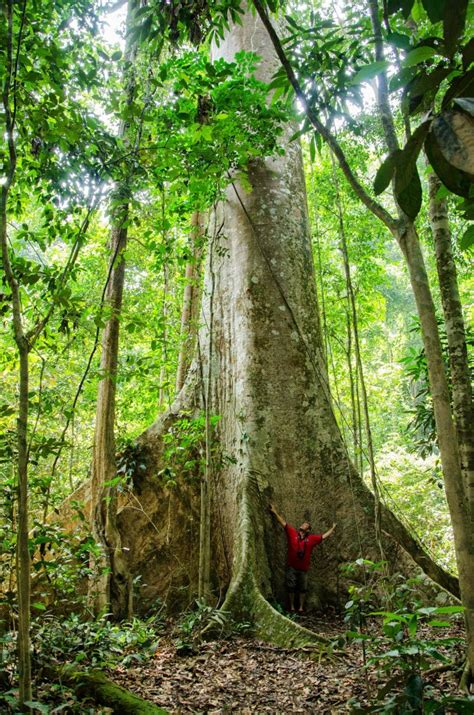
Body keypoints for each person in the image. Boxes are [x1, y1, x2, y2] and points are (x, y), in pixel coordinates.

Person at [269, 502, 336, 613]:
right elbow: (283, 523)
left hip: (303, 569)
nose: (303, 525)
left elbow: (323, 536)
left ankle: (300, 607)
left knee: (303, 589)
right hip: (292, 567)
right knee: (291, 587)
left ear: (308, 530)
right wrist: (275, 512)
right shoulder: (292, 533)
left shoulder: (311, 539)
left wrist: (332, 528)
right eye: (303, 524)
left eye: (306, 525)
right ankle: (291, 606)